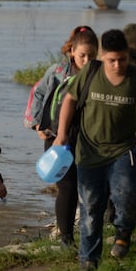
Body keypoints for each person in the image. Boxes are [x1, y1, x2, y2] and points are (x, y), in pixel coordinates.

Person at [52, 29, 136, 271]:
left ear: (128, 56)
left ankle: (123, 234)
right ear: (102, 56)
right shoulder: (90, 72)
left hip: (123, 149)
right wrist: (60, 136)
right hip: (89, 153)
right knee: (90, 210)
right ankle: (88, 264)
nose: (117, 65)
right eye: (111, 60)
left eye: (122, 59)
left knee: (128, 197)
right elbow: (69, 99)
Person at [28, 25, 98, 248]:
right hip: (57, 137)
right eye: (82, 55)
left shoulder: (100, 73)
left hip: (88, 138)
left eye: (91, 55)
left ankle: (94, 233)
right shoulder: (58, 71)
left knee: (90, 185)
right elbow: (37, 93)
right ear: (72, 52)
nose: (86, 60)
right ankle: (67, 239)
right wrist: (36, 123)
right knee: (67, 186)